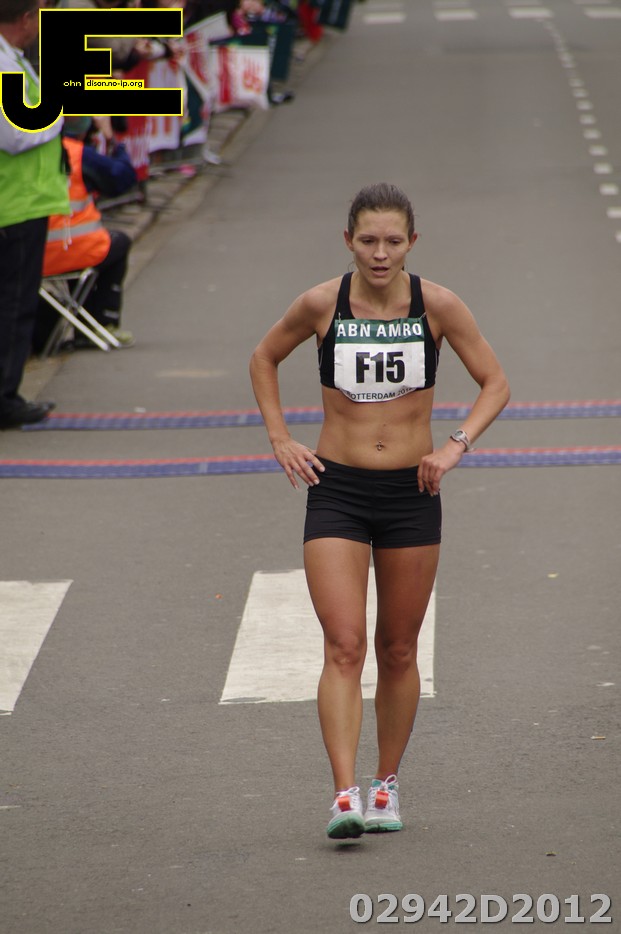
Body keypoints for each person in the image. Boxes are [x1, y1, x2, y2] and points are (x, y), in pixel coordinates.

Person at [249, 182, 510, 839]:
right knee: (344, 644)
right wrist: (280, 438)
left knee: (397, 648)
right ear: (348, 241)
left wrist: (453, 447)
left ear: (412, 243)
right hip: (336, 488)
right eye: (367, 240)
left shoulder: (437, 306)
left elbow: (495, 382)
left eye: (393, 241)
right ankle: (344, 795)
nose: (380, 253)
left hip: (409, 495)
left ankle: (385, 785)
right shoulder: (321, 303)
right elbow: (263, 357)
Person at [0, 0, 70, 428]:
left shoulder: (13, 59)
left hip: (21, 201)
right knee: (13, 305)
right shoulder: (4, 65)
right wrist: (56, 114)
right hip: (16, 204)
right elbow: (13, 133)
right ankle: (5, 399)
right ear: (25, 18)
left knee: (13, 303)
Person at [38, 115, 137, 349]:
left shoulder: (24, 154)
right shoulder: (76, 153)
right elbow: (122, 178)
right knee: (119, 242)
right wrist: (112, 138)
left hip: (31, 256)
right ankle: (102, 322)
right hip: (76, 250)